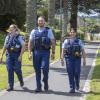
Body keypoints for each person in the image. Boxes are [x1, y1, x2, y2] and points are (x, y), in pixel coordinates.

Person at [28, 16, 55, 92]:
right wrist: (29, 53)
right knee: (37, 70)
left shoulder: (48, 31)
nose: (40, 22)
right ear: (37, 22)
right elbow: (30, 42)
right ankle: (38, 87)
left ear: (44, 22)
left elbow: (53, 42)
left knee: (45, 68)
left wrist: (53, 53)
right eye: (39, 21)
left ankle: (45, 80)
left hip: (45, 52)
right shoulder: (33, 31)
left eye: (42, 21)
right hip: (36, 52)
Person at [0, 24, 25, 91]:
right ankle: (10, 86)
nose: (10, 29)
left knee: (17, 69)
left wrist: (20, 56)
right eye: (10, 28)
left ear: (15, 29)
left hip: (17, 55)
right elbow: (5, 46)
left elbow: (23, 46)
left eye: (12, 28)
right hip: (9, 56)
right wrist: (1, 55)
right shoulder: (7, 37)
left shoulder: (19, 37)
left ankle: (21, 80)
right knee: (10, 69)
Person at [61, 28, 86, 93]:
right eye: (71, 32)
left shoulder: (79, 41)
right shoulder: (66, 41)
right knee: (70, 72)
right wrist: (62, 59)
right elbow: (63, 50)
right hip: (68, 58)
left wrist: (84, 59)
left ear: (75, 33)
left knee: (77, 72)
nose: (72, 33)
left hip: (77, 59)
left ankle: (77, 83)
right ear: (69, 33)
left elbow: (83, 51)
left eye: (73, 32)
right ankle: (72, 87)